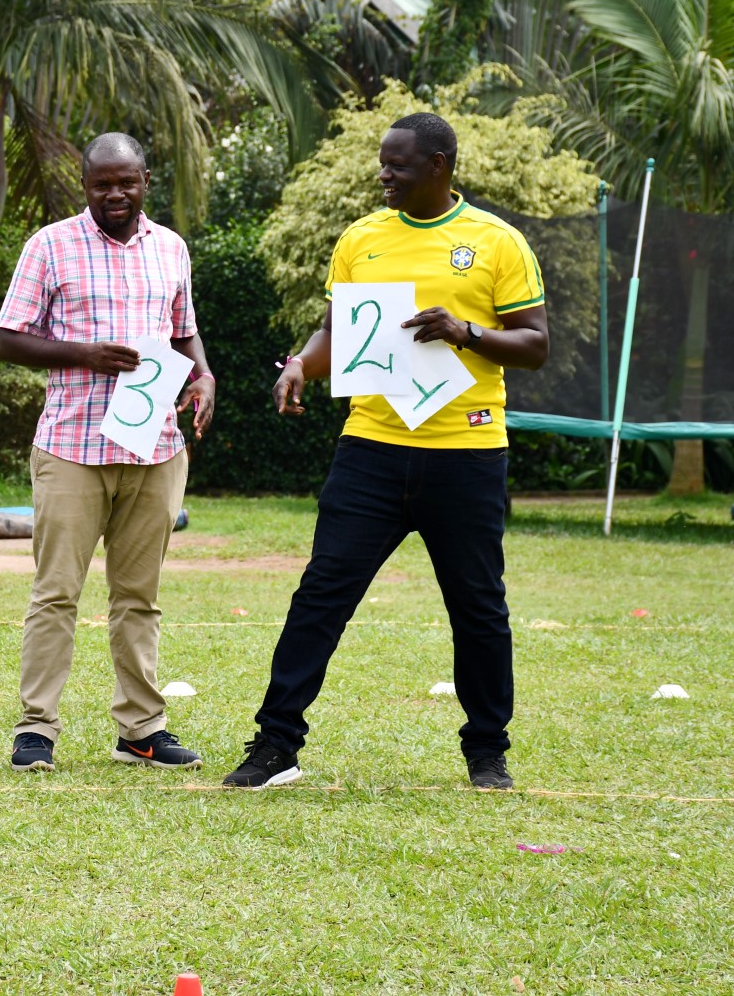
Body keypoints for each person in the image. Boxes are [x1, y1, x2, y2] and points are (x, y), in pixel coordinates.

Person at [222, 112, 548, 791]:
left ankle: (487, 751)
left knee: (478, 607)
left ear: (440, 165)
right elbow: (336, 327)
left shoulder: (497, 241)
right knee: (320, 596)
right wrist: (301, 367)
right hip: (370, 449)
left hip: (466, 451)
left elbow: (535, 343)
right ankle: (277, 742)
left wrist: (464, 331)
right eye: (382, 163)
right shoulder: (361, 238)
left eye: (398, 164)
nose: (385, 174)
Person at [0, 132, 215, 774]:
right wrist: (85, 355)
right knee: (56, 592)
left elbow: (186, 333)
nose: (114, 193)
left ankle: (141, 729)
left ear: (146, 179)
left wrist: (202, 377)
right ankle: (36, 729)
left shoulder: (171, 248)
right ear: (83, 184)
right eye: (101, 184)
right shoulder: (50, 245)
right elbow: (8, 339)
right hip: (72, 444)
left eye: (127, 182)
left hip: (155, 447)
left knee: (138, 596)